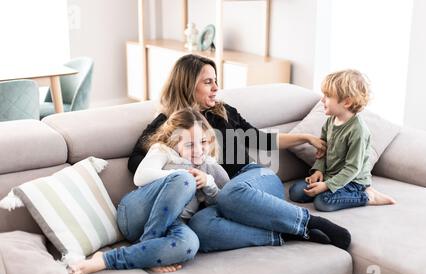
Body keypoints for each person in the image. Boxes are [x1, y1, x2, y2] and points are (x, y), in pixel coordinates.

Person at [128, 54, 352, 253]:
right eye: (208, 82)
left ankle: (309, 223)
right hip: (216, 198)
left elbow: (261, 139)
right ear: (187, 86)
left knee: (230, 193)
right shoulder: (168, 123)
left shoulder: (224, 112)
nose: (216, 87)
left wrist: (305, 138)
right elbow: (136, 161)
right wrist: (185, 171)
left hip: (255, 179)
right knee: (200, 229)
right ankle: (285, 234)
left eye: (216, 81)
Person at [69, 109, 228, 274]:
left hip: (170, 223)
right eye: (189, 144)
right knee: (184, 180)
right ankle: (149, 244)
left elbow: (221, 204)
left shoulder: (208, 166)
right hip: (135, 214)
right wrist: (182, 174)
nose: (198, 149)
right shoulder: (164, 151)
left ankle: (107, 259)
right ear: (174, 142)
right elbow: (140, 177)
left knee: (190, 244)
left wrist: (209, 183)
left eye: (203, 141)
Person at [289, 69, 396, 211]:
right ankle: (330, 188)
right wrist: (318, 171)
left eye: (327, 96)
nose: (322, 100)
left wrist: (326, 186)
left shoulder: (358, 131)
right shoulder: (330, 122)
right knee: (296, 192)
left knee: (323, 202)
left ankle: (367, 196)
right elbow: (323, 151)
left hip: (353, 181)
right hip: (330, 176)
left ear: (347, 102)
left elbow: (353, 168)